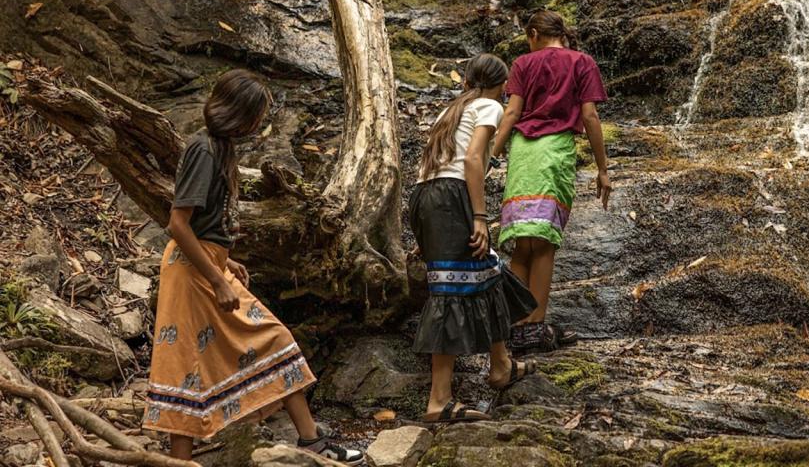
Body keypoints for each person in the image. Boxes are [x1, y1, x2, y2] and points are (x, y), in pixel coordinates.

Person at [142, 70, 363, 465]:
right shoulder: (204, 150)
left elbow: (207, 224)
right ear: (238, 112)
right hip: (192, 274)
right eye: (257, 113)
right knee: (192, 363)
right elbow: (177, 223)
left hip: (208, 265)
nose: (261, 122)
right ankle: (305, 439)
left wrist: (228, 261)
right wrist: (217, 278)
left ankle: (309, 438)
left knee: (255, 345)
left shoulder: (221, 149)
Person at [410, 53, 539, 423]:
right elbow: (471, 160)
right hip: (453, 197)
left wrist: (425, 233)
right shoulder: (489, 106)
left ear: (466, 81)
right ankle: (439, 400)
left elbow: (427, 171)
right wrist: (480, 216)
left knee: (489, 272)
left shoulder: (450, 111)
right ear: (503, 86)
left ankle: (500, 365)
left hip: (427, 199)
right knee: (450, 291)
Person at [492, 10, 612, 355]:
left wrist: (490, 155)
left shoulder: (523, 64)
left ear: (533, 33)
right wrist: (603, 168)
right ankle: (535, 324)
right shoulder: (582, 62)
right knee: (544, 242)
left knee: (521, 244)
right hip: (555, 153)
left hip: (523, 154)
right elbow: (589, 115)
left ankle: (516, 325)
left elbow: (512, 113)